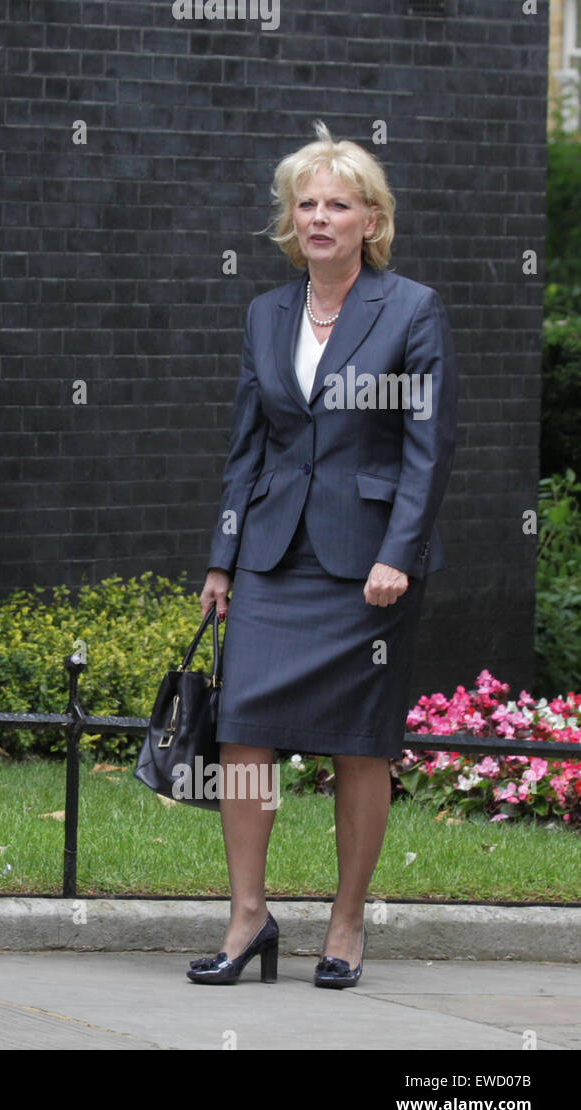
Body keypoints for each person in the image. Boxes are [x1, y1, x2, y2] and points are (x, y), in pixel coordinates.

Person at [190, 122, 457, 988]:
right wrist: (224, 558)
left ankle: (346, 924)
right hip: (272, 555)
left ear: (371, 221)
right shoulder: (267, 312)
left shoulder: (411, 309)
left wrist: (400, 551)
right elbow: (247, 445)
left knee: (360, 745)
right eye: (305, 204)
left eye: (338, 204)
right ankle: (247, 916)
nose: (318, 217)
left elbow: (428, 446)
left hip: (367, 566)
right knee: (244, 735)